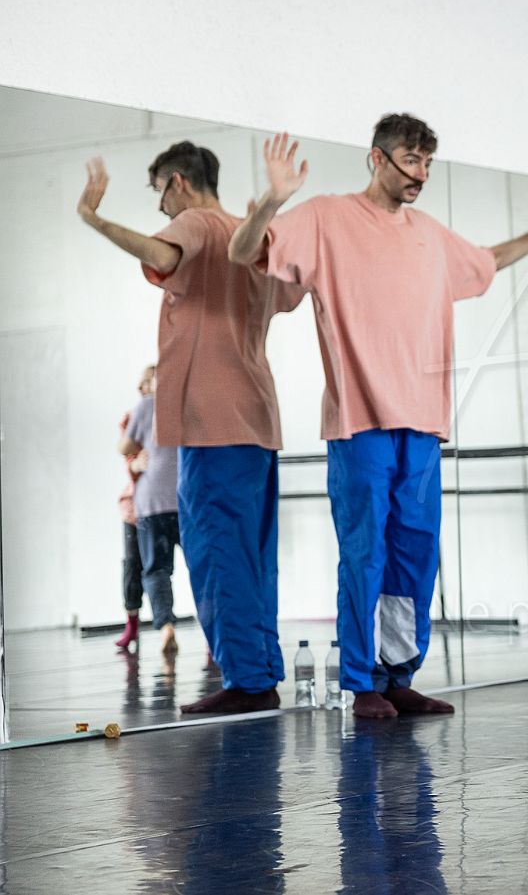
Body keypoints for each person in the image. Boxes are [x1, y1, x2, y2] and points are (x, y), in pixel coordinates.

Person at [228, 114, 528, 719]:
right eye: (411, 161)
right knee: (365, 555)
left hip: (424, 424)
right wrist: (274, 200)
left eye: (428, 163)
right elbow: (243, 250)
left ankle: (397, 675)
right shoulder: (327, 219)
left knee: (415, 555)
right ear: (376, 158)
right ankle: (361, 681)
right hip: (360, 422)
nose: (421, 174)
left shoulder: (430, 234)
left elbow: (487, 260)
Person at [78, 143, 306, 713]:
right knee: (253, 555)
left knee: (216, 551)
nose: (160, 204)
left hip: (211, 420)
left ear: (178, 182)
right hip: (257, 416)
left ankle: (247, 681)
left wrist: (93, 218)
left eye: (159, 191)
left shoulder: (199, 223)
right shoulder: (254, 236)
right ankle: (261, 672)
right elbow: (293, 291)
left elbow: (161, 250)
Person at [118, 365, 179, 655]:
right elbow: (127, 457)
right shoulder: (177, 404)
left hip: (152, 504)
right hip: (168, 502)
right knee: (200, 568)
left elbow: (124, 448)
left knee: (154, 569)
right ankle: (211, 634)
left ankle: (166, 627)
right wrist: (136, 464)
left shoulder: (147, 408)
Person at [114, 367, 152, 651]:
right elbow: (129, 457)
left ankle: (208, 631)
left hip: (169, 505)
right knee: (132, 565)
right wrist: (138, 464)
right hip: (137, 507)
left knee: (190, 564)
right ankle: (132, 625)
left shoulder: (175, 415)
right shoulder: (134, 417)